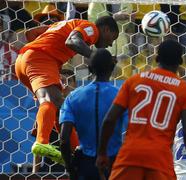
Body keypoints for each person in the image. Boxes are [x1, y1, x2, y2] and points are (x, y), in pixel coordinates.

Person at [96, 39, 186, 180]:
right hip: (159, 159)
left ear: (157, 58)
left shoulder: (133, 81)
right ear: (180, 61)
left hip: (130, 155)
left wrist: (102, 153)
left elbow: (109, 119)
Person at [14, 15, 119, 164]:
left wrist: (43, 51)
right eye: (112, 38)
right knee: (52, 100)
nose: (110, 44)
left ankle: (76, 151)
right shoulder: (92, 29)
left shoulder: (62, 24)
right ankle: (42, 142)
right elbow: (72, 41)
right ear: (106, 29)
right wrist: (95, 56)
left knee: (60, 108)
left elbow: (30, 34)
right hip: (40, 59)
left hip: (24, 60)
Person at [60, 49, 127, 180]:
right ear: (112, 68)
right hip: (113, 163)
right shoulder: (121, 95)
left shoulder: (73, 97)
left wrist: (70, 167)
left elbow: (64, 139)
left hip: (85, 164)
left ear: (90, 68)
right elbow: (132, 131)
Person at [31, 68, 78, 173]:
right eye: (61, 81)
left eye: (68, 81)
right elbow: (38, 145)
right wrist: (34, 173)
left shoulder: (79, 110)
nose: (64, 85)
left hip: (75, 170)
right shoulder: (47, 110)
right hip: (50, 172)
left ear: (75, 85)